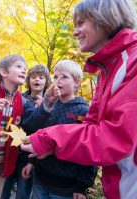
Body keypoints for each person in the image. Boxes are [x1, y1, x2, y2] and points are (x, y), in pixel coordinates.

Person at [21, 0, 137, 198]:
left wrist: (50, 140)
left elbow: (117, 138)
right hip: (125, 185)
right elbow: (92, 127)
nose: (75, 32)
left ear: (105, 18)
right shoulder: (109, 69)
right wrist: (49, 145)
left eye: (81, 23)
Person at [0, 54, 59, 199]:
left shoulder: (24, 102)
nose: (24, 71)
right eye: (19, 66)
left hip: (2, 170)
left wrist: (46, 105)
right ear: (4, 72)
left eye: (25, 68)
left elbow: (32, 125)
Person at [23, 60, 96, 199]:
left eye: (64, 77)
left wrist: (81, 186)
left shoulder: (83, 111)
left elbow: (88, 149)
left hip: (65, 186)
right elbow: (36, 133)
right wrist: (31, 162)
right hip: (40, 178)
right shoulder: (50, 106)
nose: (58, 81)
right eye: (55, 77)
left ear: (77, 82)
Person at [1, 64, 51, 199]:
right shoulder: (19, 99)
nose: (37, 80)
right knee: (3, 191)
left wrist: (32, 162)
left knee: (23, 193)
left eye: (41, 77)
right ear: (28, 80)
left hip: (30, 157)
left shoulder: (51, 103)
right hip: (11, 152)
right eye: (33, 77)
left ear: (47, 81)